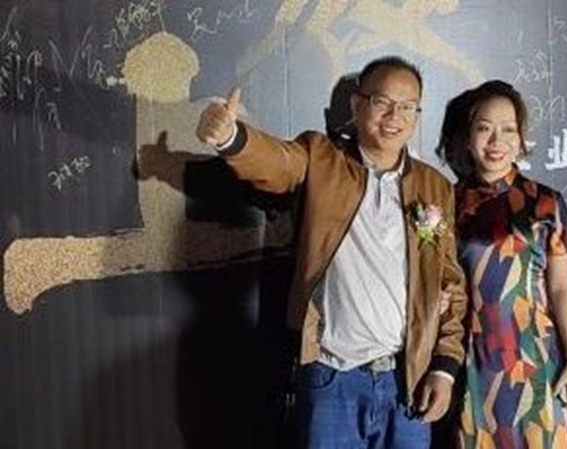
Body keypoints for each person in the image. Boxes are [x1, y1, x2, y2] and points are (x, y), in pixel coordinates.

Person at [195, 55, 468, 448]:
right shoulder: (322, 158)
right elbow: (277, 163)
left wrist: (443, 368)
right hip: (331, 378)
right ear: (357, 104)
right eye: (382, 102)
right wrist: (231, 138)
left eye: (408, 107)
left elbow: (450, 286)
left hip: (407, 380)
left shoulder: (434, 186)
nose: (395, 116)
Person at [437, 80, 567, 448]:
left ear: (521, 139)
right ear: (467, 137)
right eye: (484, 128)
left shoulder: (546, 204)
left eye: (508, 130)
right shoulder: (445, 204)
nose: (496, 141)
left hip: (536, 360)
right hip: (471, 362)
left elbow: (561, 288)